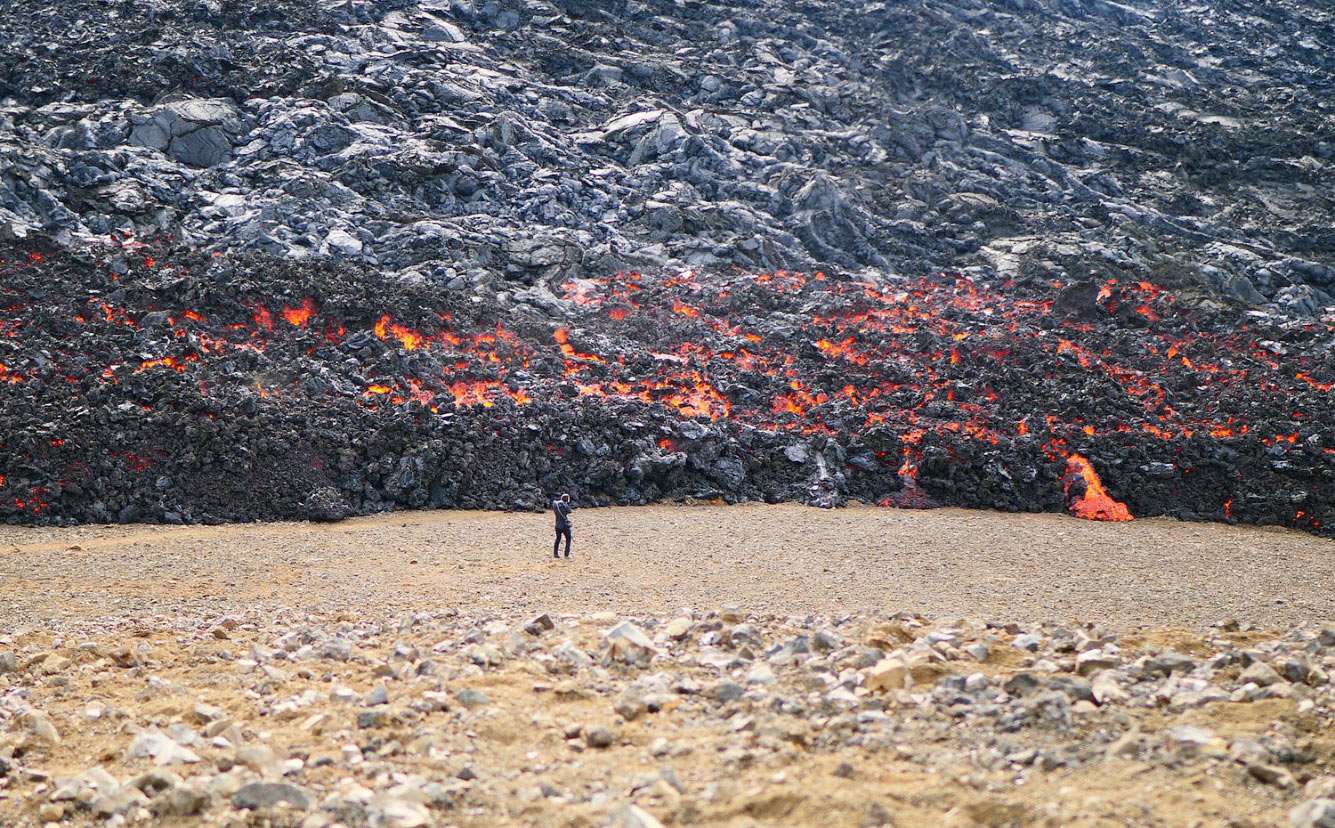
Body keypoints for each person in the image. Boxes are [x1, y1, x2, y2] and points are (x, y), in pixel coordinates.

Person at [551, 493, 573, 559]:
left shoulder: (555, 504)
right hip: (564, 525)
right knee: (568, 539)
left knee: (558, 539)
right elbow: (569, 511)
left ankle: (555, 554)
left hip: (557, 525)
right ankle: (566, 554)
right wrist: (566, 504)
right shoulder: (565, 505)